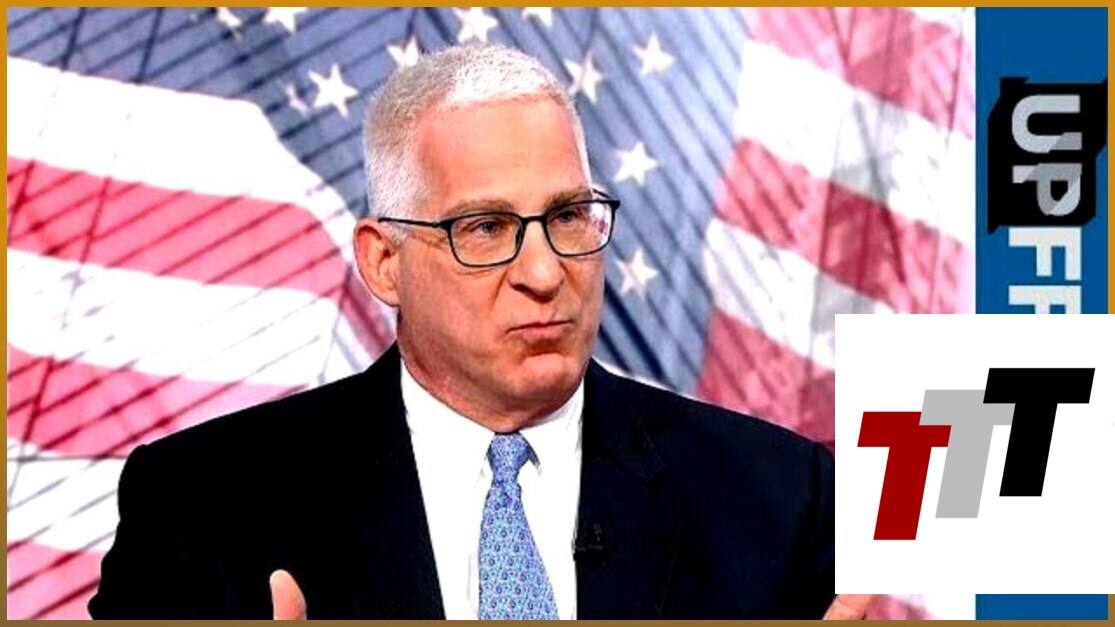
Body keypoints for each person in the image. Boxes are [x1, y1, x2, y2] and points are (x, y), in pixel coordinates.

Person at [89, 43, 859, 620]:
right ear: (384, 261)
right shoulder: (201, 508)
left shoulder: (779, 497)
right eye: (485, 227)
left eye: (568, 215)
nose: (544, 271)